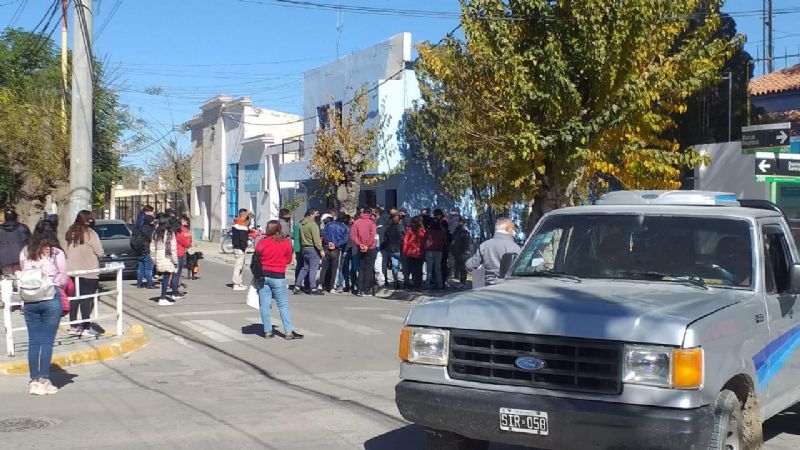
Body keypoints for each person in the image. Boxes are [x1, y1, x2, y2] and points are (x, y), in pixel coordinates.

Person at [19, 220, 68, 395]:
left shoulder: (26, 252)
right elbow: (63, 278)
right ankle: (44, 380)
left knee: (34, 341)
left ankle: (33, 380)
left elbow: (23, 270)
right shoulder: (56, 253)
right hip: (49, 297)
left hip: (30, 299)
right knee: (47, 341)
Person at [254, 220, 304, 340]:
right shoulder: (286, 242)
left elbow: (257, 257)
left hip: (263, 275)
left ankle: (267, 331)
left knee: (265, 305)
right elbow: (288, 260)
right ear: (279, 229)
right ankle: (288, 331)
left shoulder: (262, 242)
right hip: (278, 276)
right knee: (282, 305)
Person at [64, 210, 104, 337]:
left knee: (74, 299)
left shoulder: (70, 232)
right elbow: (100, 252)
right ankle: (86, 327)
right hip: (89, 271)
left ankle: (73, 326)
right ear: (88, 220)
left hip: (72, 271)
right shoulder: (91, 234)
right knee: (86, 300)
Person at [466, 217, 521, 286]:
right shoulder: (515, 248)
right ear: (509, 229)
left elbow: (470, 266)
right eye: (514, 229)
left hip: (487, 287)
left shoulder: (484, 245)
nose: (515, 231)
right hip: (509, 287)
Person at [294, 209, 324, 295]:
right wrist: (321, 249)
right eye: (316, 214)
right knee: (313, 269)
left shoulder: (302, 225)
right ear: (311, 214)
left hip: (304, 248)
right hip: (312, 248)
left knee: (305, 267)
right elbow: (316, 239)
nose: (317, 215)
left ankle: (297, 286)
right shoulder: (313, 225)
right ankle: (313, 288)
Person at [150, 216, 179, 305]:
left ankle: (163, 296)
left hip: (159, 256)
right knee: (166, 277)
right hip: (167, 257)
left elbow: (152, 247)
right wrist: (175, 261)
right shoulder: (170, 234)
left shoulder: (156, 233)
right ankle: (163, 297)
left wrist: (154, 259)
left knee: (164, 278)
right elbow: (173, 249)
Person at [351, 207, 378, 297]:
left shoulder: (357, 222)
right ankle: (366, 290)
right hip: (370, 247)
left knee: (361, 268)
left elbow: (353, 235)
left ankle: (359, 289)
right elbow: (372, 235)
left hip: (361, 247)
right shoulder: (372, 223)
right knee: (369, 269)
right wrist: (367, 245)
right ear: (370, 213)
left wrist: (360, 244)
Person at [320, 213, 349, 293]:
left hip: (327, 247)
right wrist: (336, 244)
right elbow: (345, 239)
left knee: (324, 268)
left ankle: (320, 284)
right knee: (334, 269)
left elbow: (324, 234)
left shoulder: (329, 225)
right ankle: (332, 287)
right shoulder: (344, 227)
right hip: (337, 249)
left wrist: (328, 242)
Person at [0, 208, 31, 277]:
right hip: (20, 261)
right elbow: (30, 243)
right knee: (20, 282)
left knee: (8, 282)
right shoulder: (23, 228)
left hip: (4, 262)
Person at [132, 205, 156, 289]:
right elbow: (151, 239)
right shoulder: (149, 229)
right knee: (148, 268)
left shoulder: (139, 225)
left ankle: (139, 283)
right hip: (147, 249)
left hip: (139, 248)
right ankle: (150, 283)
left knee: (140, 267)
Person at [402, 216, 426, 289]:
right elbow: (424, 241)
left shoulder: (409, 230)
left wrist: (404, 252)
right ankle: (418, 284)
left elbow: (405, 242)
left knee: (413, 269)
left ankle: (415, 284)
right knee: (419, 269)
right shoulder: (422, 231)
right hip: (420, 252)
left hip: (411, 253)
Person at [424, 217, 447, 290]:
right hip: (439, 251)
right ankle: (440, 284)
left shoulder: (428, 231)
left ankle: (428, 284)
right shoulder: (442, 232)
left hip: (430, 250)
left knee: (429, 269)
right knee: (438, 268)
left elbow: (424, 239)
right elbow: (444, 241)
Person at [231, 208, 251, 291]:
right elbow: (243, 239)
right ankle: (236, 284)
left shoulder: (236, 223)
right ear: (244, 215)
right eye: (247, 215)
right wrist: (244, 248)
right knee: (238, 266)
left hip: (236, 247)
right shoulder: (242, 226)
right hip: (240, 248)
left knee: (240, 266)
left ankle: (239, 282)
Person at [173, 214, 192, 299]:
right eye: (185, 221)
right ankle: (175, 292)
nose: (187, 222)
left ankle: (174, 289)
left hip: (173, 252)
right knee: (177, 273)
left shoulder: (173, 229)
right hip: (179, 253)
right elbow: (187, 243)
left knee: (174, 273)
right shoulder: (183, 230)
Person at [450, 218, 473, 289]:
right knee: (459, 268)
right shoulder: (458, 231)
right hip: (458, 252)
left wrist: (463, 251)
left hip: (463, 252)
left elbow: (465, 243)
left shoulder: (464, 231)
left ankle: (463, 283)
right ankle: (461, 282)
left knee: (463, 268)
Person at [384, 214, 405, 289]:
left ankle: (396, 281)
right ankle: (405, 281)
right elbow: (403, 238)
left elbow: (385, 239)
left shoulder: (388, 228)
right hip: (399, 249)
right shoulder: (401, 227)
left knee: (394, 266)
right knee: (404, 265)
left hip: (391, 249)